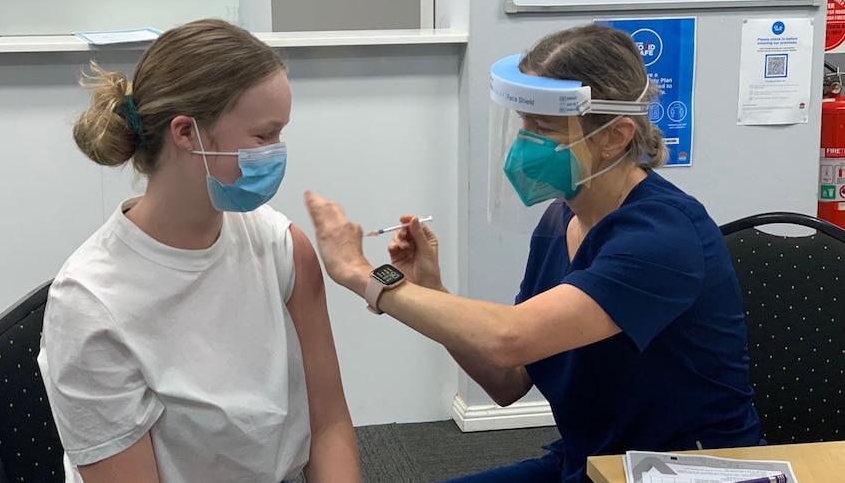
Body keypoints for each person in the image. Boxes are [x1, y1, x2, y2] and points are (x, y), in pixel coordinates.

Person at [304, 24, 760, 483]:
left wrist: (364, 275)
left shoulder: (662, 236)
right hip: (590, 463)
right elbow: (509, 380)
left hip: (681, 470)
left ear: (615, 136)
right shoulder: (559, 221)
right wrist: (431, 289)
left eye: (544, 128)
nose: (526, 144)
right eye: (523, 124)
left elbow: (510, 339)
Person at [37, 19, 360, 483]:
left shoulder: (283, 248)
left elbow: (329, 424)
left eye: (280, 135)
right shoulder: (90, 304)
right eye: (263, 136)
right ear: (186, 133)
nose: (277, 153)